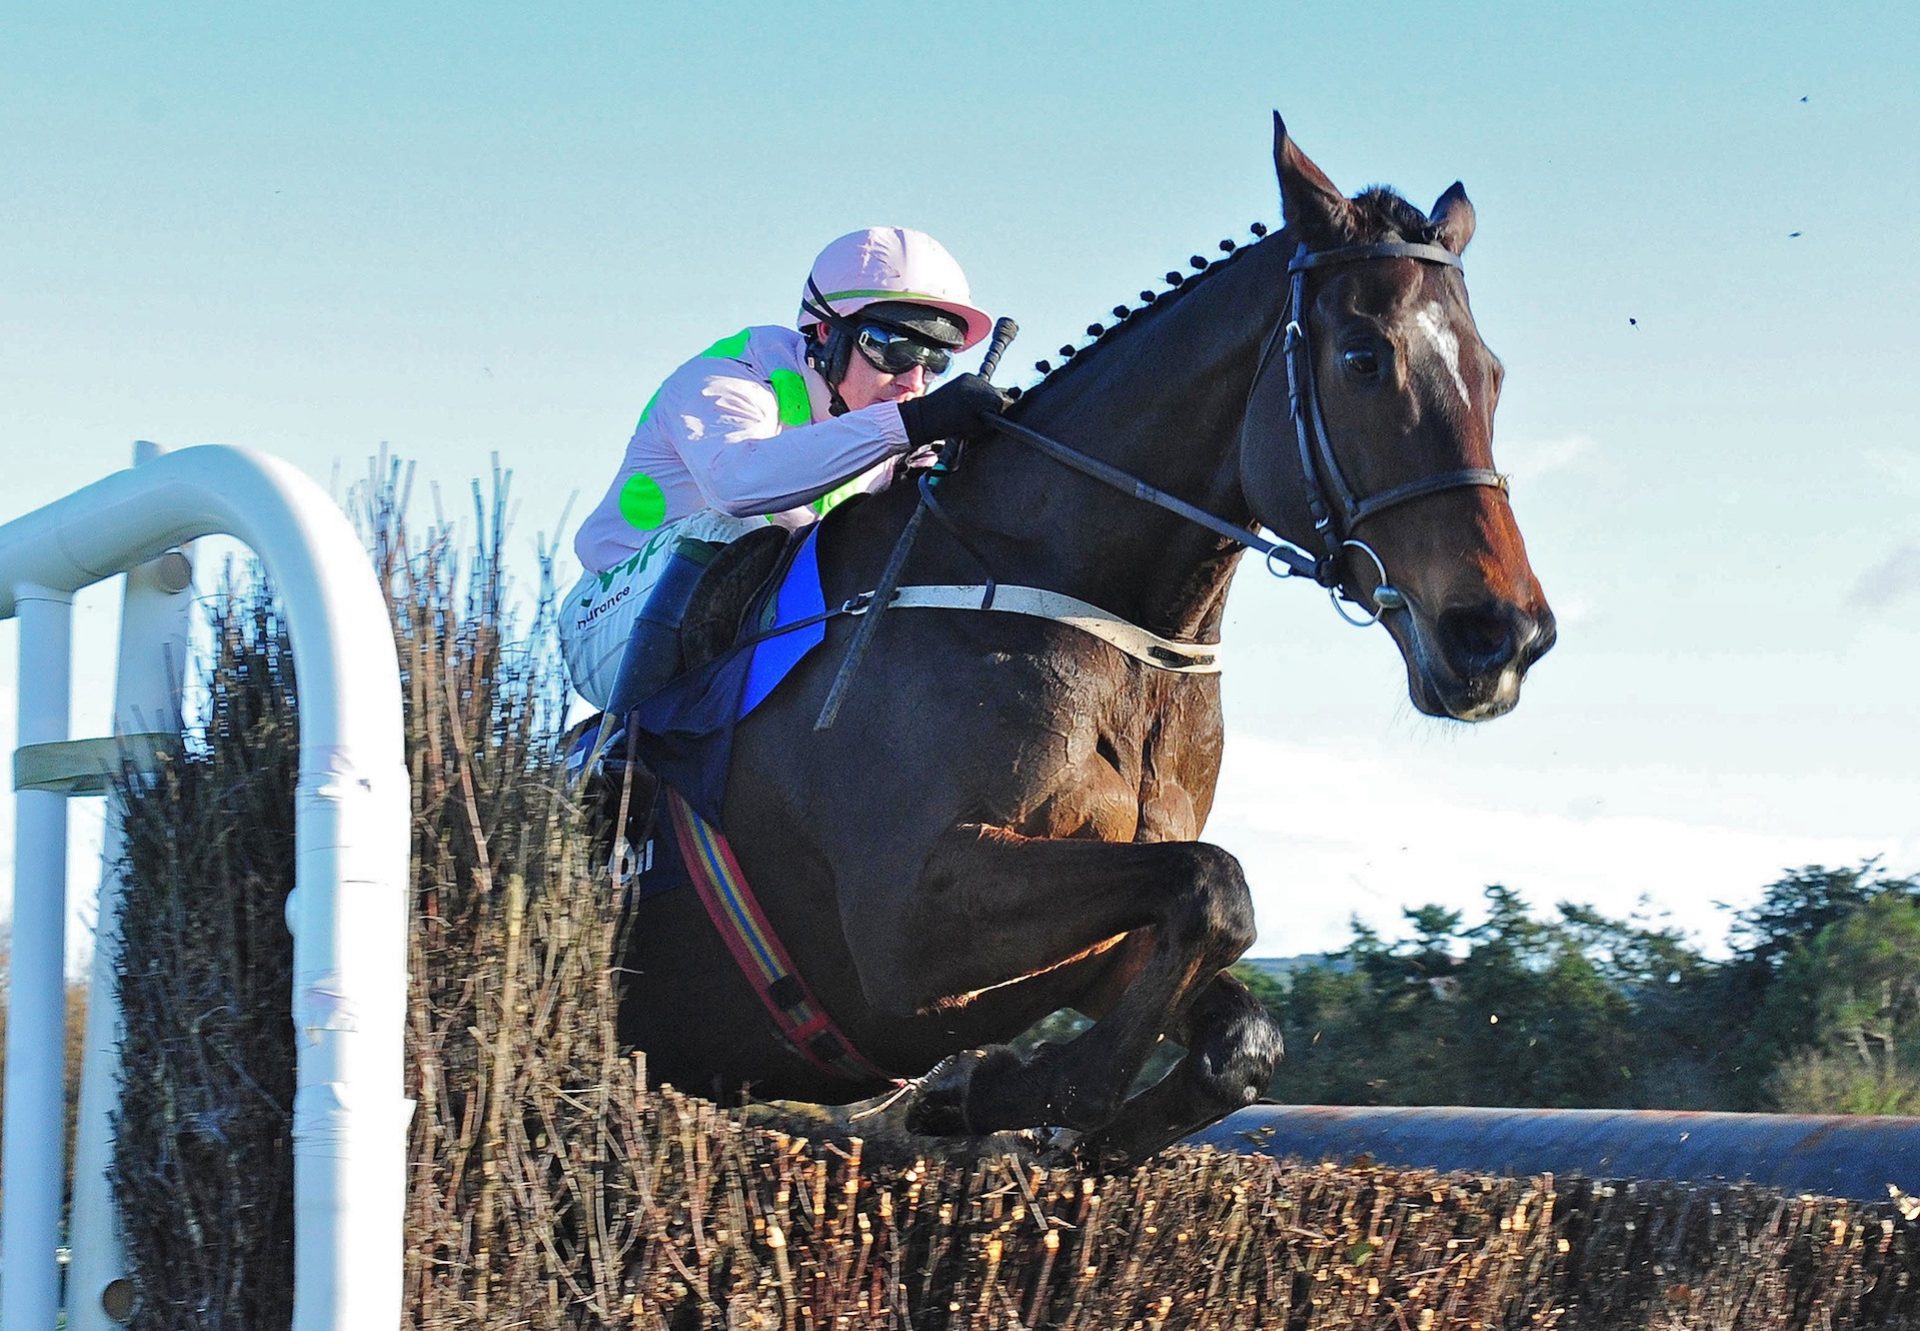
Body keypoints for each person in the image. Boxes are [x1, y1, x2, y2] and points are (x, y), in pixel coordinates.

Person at [562, 227, 1009, 719]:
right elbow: (736, 486)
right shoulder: (729, 376)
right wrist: (911, 424)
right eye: (896, 349)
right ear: (825, 332)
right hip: (609, 622)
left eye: (935, 361)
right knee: (732, 531)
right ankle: (621, 751)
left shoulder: (886, 418)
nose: (914, 380)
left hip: (758, 619)